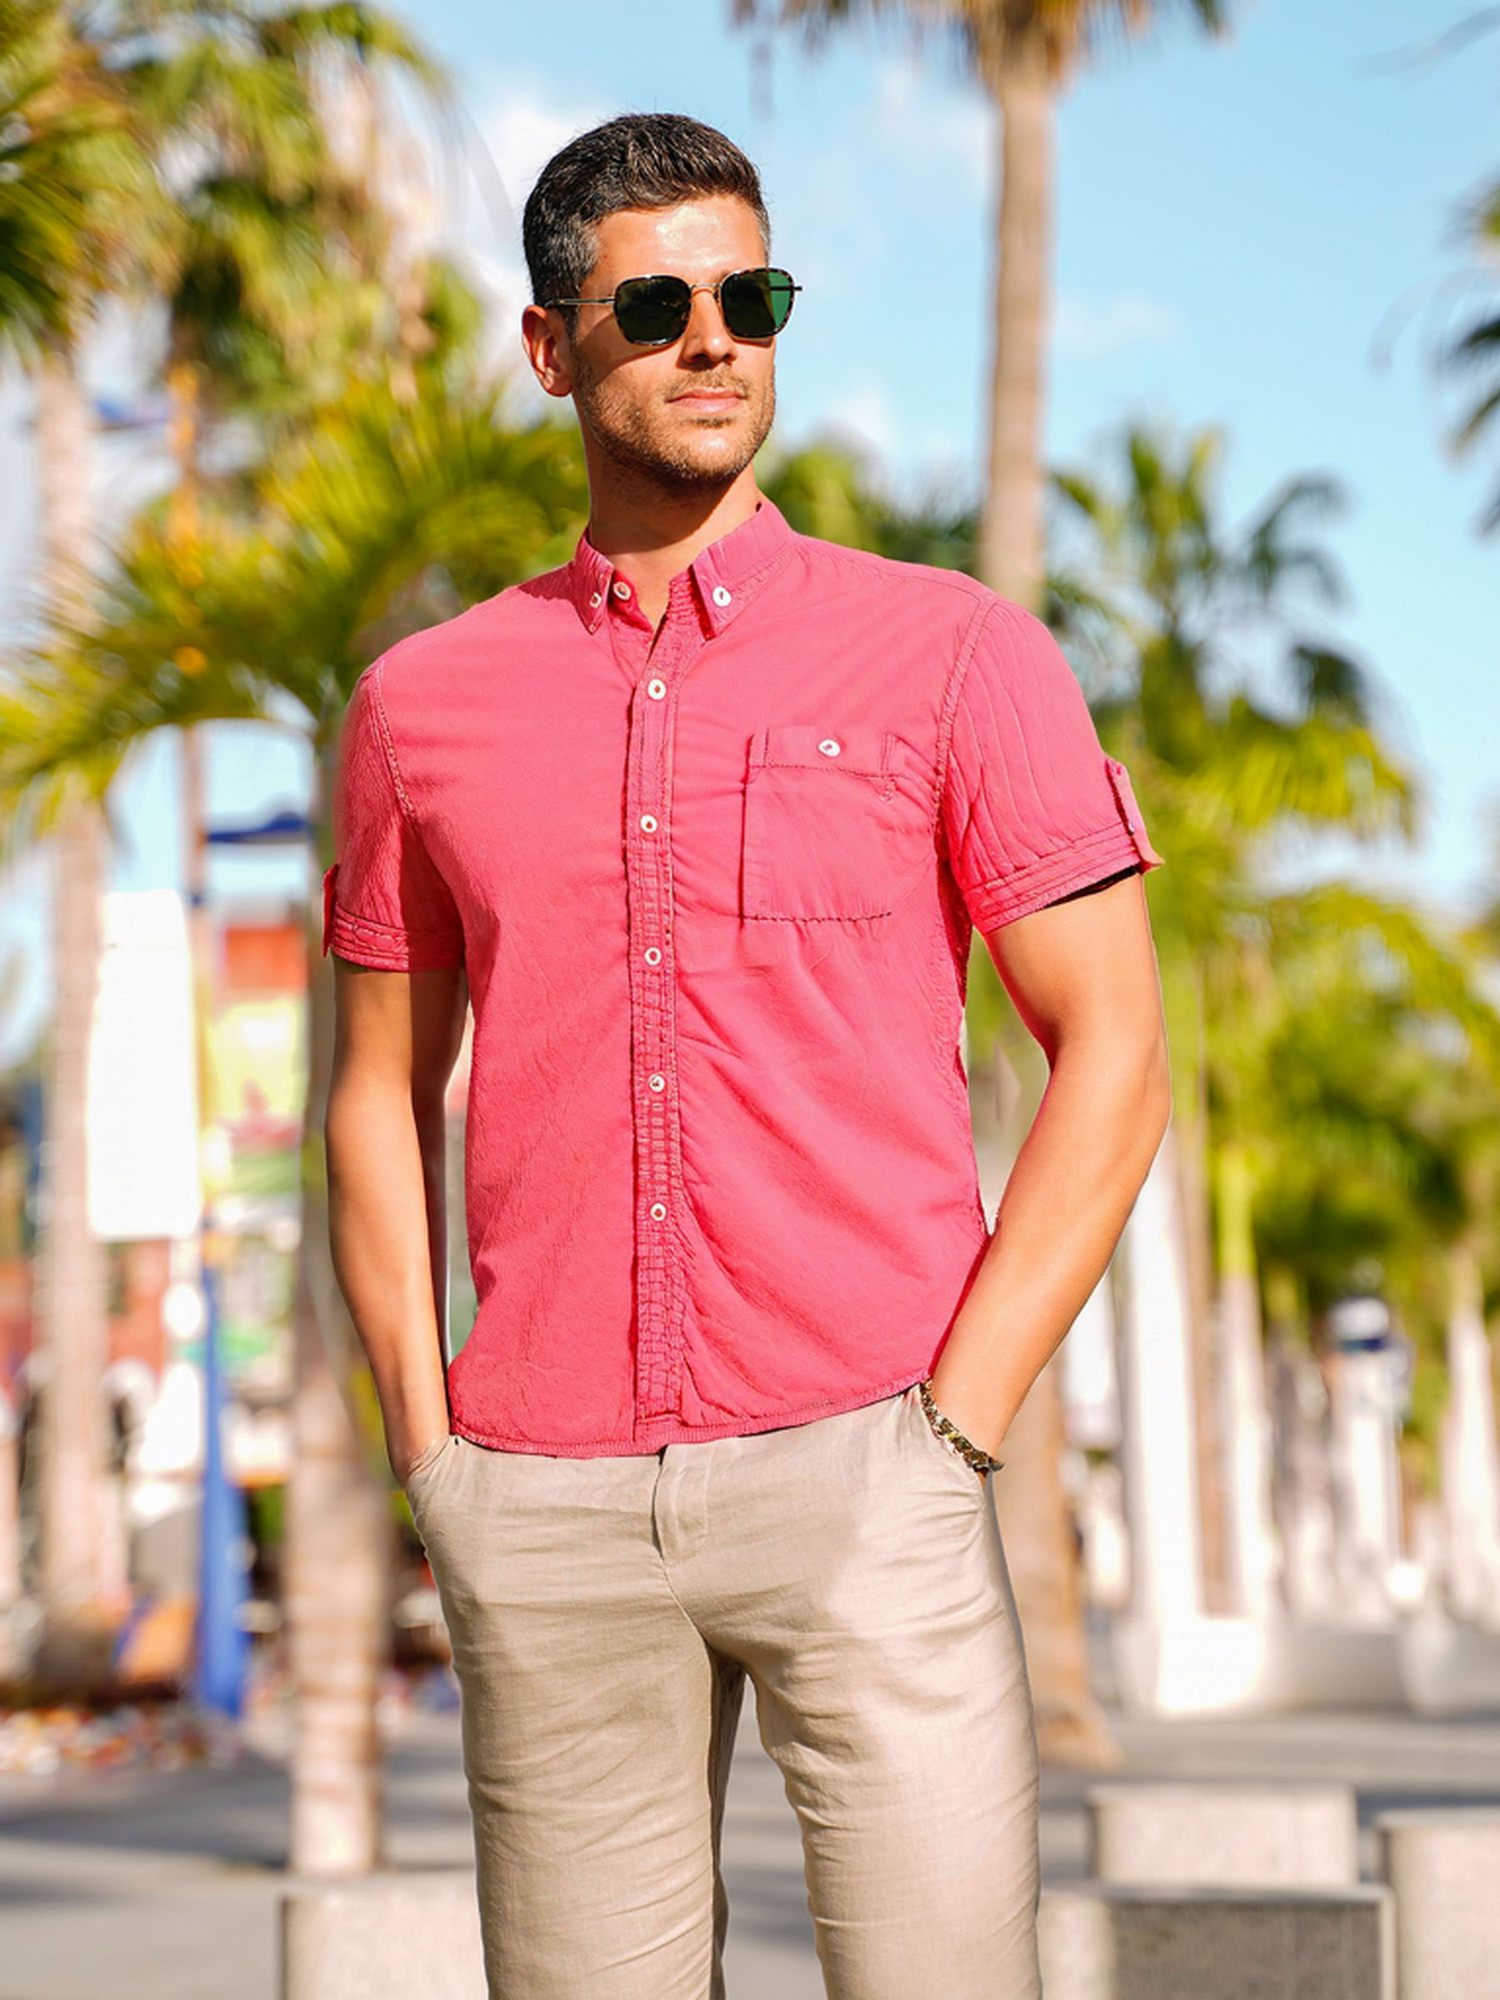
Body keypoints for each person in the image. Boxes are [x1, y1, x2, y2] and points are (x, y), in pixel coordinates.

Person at [324, 110, 1170, 2000]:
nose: (715, 338)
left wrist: (955, 1424)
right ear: (552, 347)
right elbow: (374, 1086)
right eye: (657, 303)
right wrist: (431, 1445)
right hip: (541, 1495)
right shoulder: (419, 709)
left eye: (752, 294)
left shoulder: (956, 657)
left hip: (874, 1456)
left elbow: (1114, 1047)